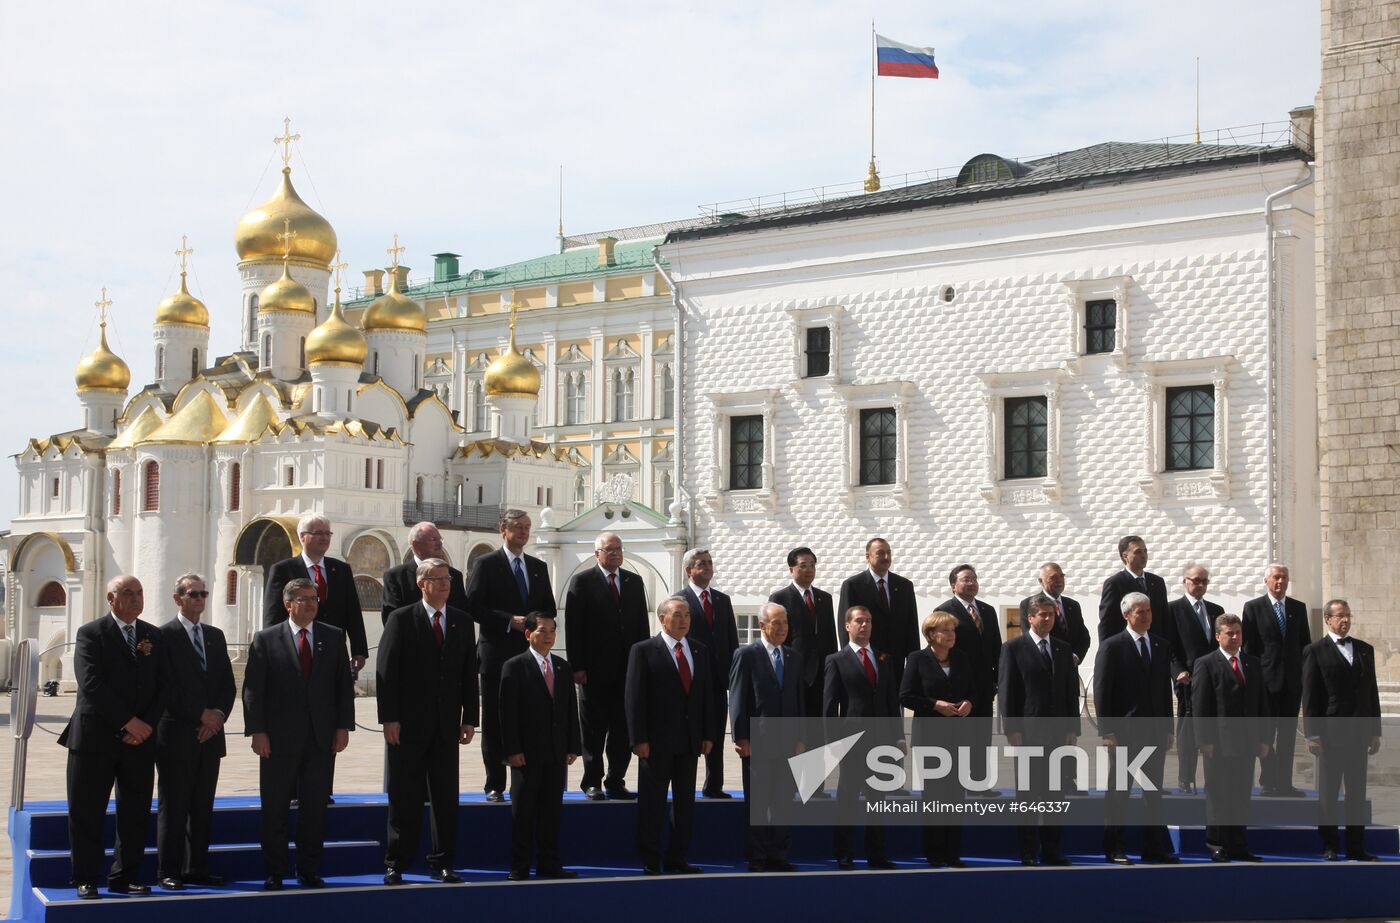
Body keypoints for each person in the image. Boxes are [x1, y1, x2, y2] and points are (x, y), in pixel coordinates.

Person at [243, 578, 355, 890]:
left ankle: (308, 868)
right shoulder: (266, 639)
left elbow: (342, 688)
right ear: (288, 603)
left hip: (320, 739)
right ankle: (275, 870)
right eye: (303, 599)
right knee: (275, 807)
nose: (310, 604)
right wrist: (258, 731)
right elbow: (253, 690)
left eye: (314, 598)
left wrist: (343, 727)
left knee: (314, 807)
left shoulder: (333, 637)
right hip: (278, 740)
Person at [60, 575, 162, 899]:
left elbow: (163, 685)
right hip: (95, 739)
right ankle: (86, 877)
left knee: (135, 812)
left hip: (139, 741)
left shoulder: (152, 635)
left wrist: (145, 724)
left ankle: (125, 875)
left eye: (139, 593)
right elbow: (91, 684)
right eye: (128, 593)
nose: (135, 599)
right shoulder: (91, 633)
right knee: (87, 811)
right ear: (111, 598)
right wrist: (128, 722)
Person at [378, 559, 478, 885]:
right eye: (438, 578)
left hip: (446, 726)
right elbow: (387, 674)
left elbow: (467, 674)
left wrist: (470, 718)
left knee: (446, 798)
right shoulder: (401, 619)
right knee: (404, 796)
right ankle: (396, 862)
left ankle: (443, 861)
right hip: (407, 726)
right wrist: (389, 718)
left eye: (448, 578)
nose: (446, 584)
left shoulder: (462, 622)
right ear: (423, 584)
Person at [464, 509, 556, 801]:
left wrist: (536, 624)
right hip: (498, 655)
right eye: (518, 527)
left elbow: (549, 609)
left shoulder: (538, 567)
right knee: (495, 719)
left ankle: (527, 779)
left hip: (531, 657)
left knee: (529, 717)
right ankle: (494, 783)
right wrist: (509, 621)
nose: (524, 532)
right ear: (503, 529)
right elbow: (474, 607)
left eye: (528, 528)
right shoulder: (486, 564)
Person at [625, 596, 717, 875]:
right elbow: (634, 698)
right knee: (652, 803)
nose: (683, 620)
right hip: (655, 742)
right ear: (662, 618)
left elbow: (706, 697)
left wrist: (708, 734)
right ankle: (650, 858)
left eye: (687, 615)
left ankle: (678, 857)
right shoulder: (644, 650)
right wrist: (638, 738)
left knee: (685, 803)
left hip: (689, 741)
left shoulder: (699, 650)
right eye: (677, 615)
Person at [155, 574, 235, 891]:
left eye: (203, 593)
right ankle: (168, 870)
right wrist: (199, 714)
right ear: (178, 598)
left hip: (210, 736)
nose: (199, 599)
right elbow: (165, 687)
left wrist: (216, 716)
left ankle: (196, 867)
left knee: (202, 806)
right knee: (174, 806)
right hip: (177, 735)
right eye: (193, 594)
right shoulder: (163, 636)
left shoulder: (214, 636)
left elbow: (227, 685)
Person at [1093, 592, 1178, 865]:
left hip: (1154, 732)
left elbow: (1165, 691)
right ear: (1126, 615)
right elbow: (1102, 691)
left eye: (1149, 611)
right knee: (1119, 793)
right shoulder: (1112, 646)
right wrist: (1107, 732)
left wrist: (1168, 729)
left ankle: (1153, 847)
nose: (1146, 616)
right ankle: (1115, 847)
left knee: (1153, 794)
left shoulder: (1160, 645)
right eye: (1140, 612)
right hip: (1124, 735)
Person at [565, 531, 650, 801]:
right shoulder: (582, 582)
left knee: (622, 728)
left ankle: (616, 779)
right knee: (593, 730)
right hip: (593, 671)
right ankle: (592, 781)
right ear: (597, 554)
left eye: (618, 548)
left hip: (627, 670)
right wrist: (577, 665)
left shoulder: (634, 581)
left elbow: (641, 626)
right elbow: (574, 628)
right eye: (609, 549)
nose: (615, 553)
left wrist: (642, 664)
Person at [999, 593, 1080, 866]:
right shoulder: (1014, 648)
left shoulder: (1062, 648)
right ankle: (1028, 850)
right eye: (1042, 615)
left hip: (1059, 735)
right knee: (1029, 795)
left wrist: (1073, 728)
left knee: (1054, 795)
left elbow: (1070, 692)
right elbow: (1007, 692)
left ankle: (1052, 850)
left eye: (1051, 614)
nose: (1047, 619)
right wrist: (1011, 729)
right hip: (1028, 734)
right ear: (1030, 618)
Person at [500, 613, 582, 881]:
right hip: (526, 754)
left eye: (552, 631)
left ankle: (550, 863)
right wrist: (512, 749)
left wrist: (573, 745)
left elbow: (570, 708)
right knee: (523, 812)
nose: (548, 636)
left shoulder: (561, 666)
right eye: (542, 630)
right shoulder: (514, 666)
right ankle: (520, 865)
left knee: (551, 812)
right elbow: (507, 713)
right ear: (528, 634)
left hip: (556, 753)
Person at [1303, 600, 1382, 861]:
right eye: (1339, 616)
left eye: (1348, 616)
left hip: (1359, 735)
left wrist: (1375, 730)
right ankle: (1329, 844)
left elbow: (1372, 693)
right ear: (1327, 619)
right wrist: (1312, 734)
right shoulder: (1315, 651)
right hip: (1330, 736)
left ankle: (1357, 845)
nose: (1345, 620)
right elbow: (1311, 697)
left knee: (1356, 793)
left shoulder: (1364, 650)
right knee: (1328, 793)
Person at [825, 606, 903, 870]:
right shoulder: (837, 660)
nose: (864, 625)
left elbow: (893, 702)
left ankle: (877, 855)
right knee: (847, 800)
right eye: (859, 621)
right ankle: (844, 855)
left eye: (868, 621)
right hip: (851, 743)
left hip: (882, 743)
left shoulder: (884, 658)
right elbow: (829, 706)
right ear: (847, 626)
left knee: (879, 802)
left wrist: (899, 738)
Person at [729, 603, 804, 872]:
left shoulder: (793, 657)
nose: (783, 628)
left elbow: (798, 699)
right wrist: (741, 737)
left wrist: (800, 738)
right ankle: (757, 856)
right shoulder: (747, 654)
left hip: (788, 741)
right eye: (777, 623)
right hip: (757, 741)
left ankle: (779, 855)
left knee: (784, 801)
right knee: (758, 803)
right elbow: (737, 697)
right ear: (762, 625)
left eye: (785, 622)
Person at [1192, 613, 1270, 862]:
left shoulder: (1252, 663)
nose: (1235, 637)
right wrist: (1204, 740)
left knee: (1240, 794)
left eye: (1238, 632)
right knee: (1218, 794)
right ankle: (1216, 843)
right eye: (1229, 633)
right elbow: (1201, 704)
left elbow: (1262, 703)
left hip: (1247, 742)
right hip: (1219, 743)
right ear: (1218, 636)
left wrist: (1265, 739)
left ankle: (1239, 844)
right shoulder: (1206, 663)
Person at [899, 612, 973, 868]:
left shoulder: (962, 658)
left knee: (956, 797)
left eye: (953, 630)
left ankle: (953, 853)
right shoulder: (917, 659)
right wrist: (934, 705)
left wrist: (968, 703)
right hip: (930, 739)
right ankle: (935, 853)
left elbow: (973, 689)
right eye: (945, 630)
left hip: (959, 737)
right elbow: (906, 696)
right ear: (931, 634)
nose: (951, 634)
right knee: (935, 798)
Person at [262, 513, 368, 674]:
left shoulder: (341, 569)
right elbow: (273, 613)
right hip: (297, 647)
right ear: (302, 536)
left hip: (333, 649)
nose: (325, 538)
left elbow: (352, 612)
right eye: (318, 533)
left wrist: (359, 650)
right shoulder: (283, 570)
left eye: (328, 533)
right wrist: (273, 648)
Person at [1241, 564, 1311, 797]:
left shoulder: (1298, 608)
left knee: (1288, 736)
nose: (1280, 582)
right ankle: (1268, 780)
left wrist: (1303, 676)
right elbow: (1249, 648)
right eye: (1276, 578)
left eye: (1284, 578)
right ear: (1267, 580)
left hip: (1291, 683)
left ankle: (1285, 782)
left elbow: (1304, 645)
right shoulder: (1253, 608)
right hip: (1266, 683)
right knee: (1266, 735)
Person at [934, 564, 1003, 797]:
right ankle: (958, 783)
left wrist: (996, 678)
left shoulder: (988, 610)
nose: (971, 582)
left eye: (974, 578)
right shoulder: (945, 610)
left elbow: (996, 647)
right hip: (959, 687)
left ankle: (979, 783)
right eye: (966, 579)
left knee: (982, 736)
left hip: (984, 686)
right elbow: (941, 649)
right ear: (953, 585)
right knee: (960, 738)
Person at [677, 548, 739, 798]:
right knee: (691, 733)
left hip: (718, 679)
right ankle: (685, 785)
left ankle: (714, 785)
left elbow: (731, 640)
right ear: (688, 569)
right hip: (691, 678)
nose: (707, 567)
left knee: (716, 733)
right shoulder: (680, 601)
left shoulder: (722, 600)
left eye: (710, 563)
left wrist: (733, 674)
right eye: (701, 564)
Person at [1168, 564, 1222, 793]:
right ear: (1185, 581)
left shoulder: (1215, 609)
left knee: (1214, 730)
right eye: (1195, 580)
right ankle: (1186, 779)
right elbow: (1168, 647)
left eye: (1204, 581)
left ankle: (1214, 779)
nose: (1199, 585)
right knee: (1188, 731)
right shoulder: (1172, 610)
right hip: (1188, 680)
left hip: (1215, 679)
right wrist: (1177, 671)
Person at [837, 538, 919, 688]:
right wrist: (848, 660)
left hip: (896, 662)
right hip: (865, 660)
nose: (886, 557)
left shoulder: (904, 586)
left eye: (889, 553)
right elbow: (846, 626)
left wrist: (914, 662)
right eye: (881, 553)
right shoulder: (853, 585)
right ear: (867, 556)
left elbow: (911, 625)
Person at [768, 546, 838, 717]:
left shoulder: (825, 598)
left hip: (823, 675)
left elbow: (830, 637)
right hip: (794, 672)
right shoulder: (779, 598)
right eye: (803, 565)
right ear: (791, 569)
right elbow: (775, 639)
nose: (809, 570)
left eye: (812, 565)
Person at [380, 521, 472, 629]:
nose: (440, 544)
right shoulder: (396, 577)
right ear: (416, 545)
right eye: (433, 539)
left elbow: (462, 615)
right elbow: (391, 618)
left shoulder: (454, 576)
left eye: (440, 539)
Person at [1097, 535, 1171, 643]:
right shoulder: (1115, 583)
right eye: (1138, 552)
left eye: (1145, 551)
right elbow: (1107, 622)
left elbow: (1165, 619)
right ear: (1125, 556)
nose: (1144, 555)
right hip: (1128, 647)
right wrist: (1107, 651)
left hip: (1155, 647)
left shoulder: (1157, 582)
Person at [1017, 562, 1090, 666]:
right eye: (1053, 577)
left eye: (1061, 576)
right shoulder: (1029, 604)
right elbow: (1030, 637)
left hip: (1070, 670)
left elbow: (1084, 637)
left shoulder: (1073, 605)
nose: (1059, 581)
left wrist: (1075, 656)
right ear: (1041, 581)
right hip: (1045, 667)